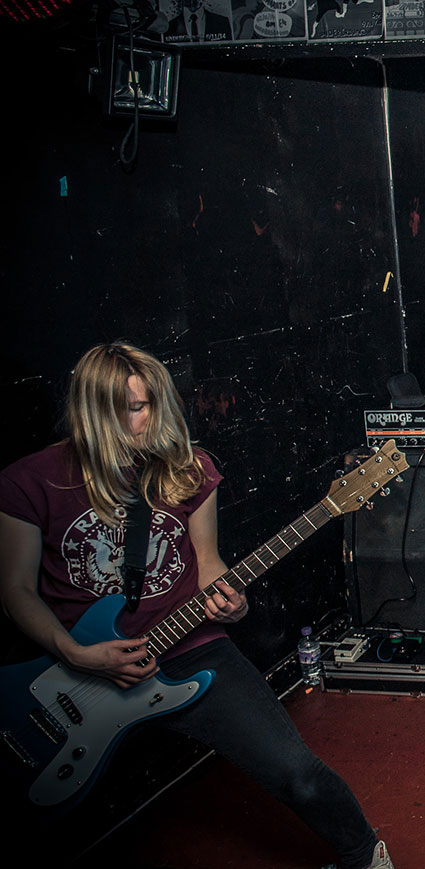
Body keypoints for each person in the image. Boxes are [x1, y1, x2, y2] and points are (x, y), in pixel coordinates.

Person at [0, 343, 393, 869]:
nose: (144, 422)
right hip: (78, 669)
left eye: (148, 406)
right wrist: (74, 653)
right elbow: (15, 591)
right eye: (132, 409)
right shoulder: (30, 480)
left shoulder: (187, 468)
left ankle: (366, 857)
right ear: (93, 411)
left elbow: (207, 563)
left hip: (189, 650)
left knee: (297, 772)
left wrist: (232, 601)